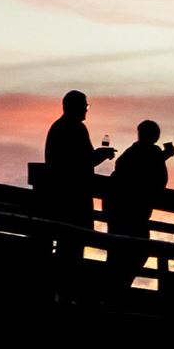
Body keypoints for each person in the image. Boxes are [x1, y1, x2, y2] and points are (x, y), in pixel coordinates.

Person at [101, 120, 174, 284]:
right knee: (139, 251)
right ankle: (117, 289)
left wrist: (162, 157)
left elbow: (136, 167)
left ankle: (111, 290)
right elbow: (158, 180)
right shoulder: (153, 153)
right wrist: (163, 157)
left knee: (116, 255)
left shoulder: (130, 152)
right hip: (135, 215)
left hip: (116, 212)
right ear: (155, 136)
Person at [40, 90, 113, 247]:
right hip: (75, 197)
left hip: (57, 195)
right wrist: (102, 154)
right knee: (74, 245)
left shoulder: (58, 126)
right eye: (85, 106)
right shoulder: (76, 128)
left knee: (66, 244)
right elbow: (84, 161)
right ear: (76, 107)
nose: (87, 110)